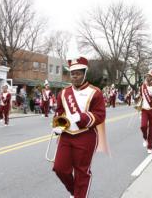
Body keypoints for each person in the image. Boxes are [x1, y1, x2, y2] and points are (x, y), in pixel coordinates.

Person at [52, 57, 108, 198]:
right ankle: (75, 192)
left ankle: (79, 195)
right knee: (60, 169)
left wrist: (80, 117)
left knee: (81, 172)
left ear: (84, 74)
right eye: (72, 73)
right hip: (66, 135)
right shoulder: (64, 93)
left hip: (86, 135)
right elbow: (59, 112)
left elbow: (100, 115)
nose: (75, 76)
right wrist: (58, 125)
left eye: (78, 73)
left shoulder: (95, 92)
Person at [138, 69, 152, 154]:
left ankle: (150, 146)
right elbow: (140, 96)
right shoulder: (143, 86)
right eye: (147, 76)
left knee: (151, 128)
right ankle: (145, 138)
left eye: (149, 76)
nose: (147, 78)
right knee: (143, 126)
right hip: (144, 110)